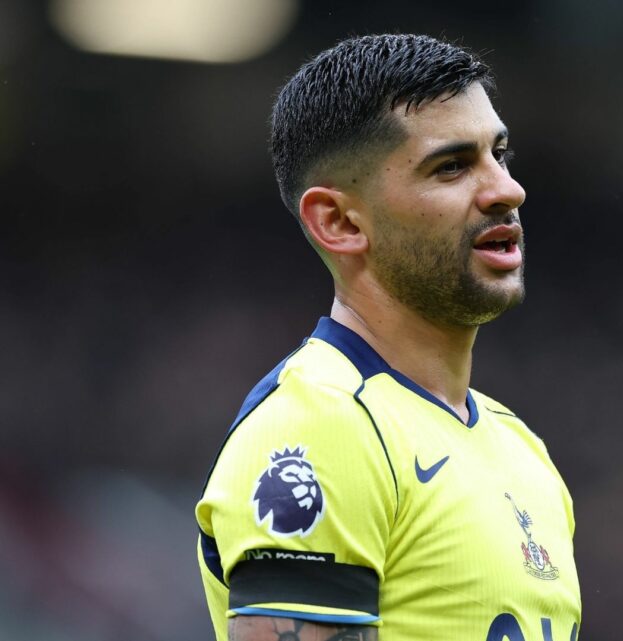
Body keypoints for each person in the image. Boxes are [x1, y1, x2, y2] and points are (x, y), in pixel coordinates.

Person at [195, 34, 581, 641]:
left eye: (499, 154)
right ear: (340, 222)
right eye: (452, 166)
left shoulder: (521, 448)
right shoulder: (321, 424)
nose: (507, 189)